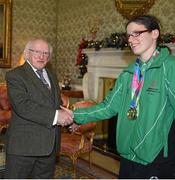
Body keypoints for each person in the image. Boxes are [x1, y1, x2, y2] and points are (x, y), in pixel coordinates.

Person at [65, 15, 175, 179]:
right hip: (127, 154)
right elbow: (108, 107)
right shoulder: (128, 73)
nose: (131, 39)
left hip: (156, 157)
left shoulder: (170, 67)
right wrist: (74, 115)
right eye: (129, 35)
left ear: (154, 33)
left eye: (137, 33)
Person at [4, 38, 73, 179]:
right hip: (24, 146)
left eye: (46, 53)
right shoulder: (15, 75)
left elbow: (55, 104)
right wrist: (57, 116)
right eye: (37, 52)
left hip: (49, 147)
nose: (42, 56)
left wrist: (71, 119)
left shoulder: (52, 75)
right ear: (27, 53)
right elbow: (23, 106)